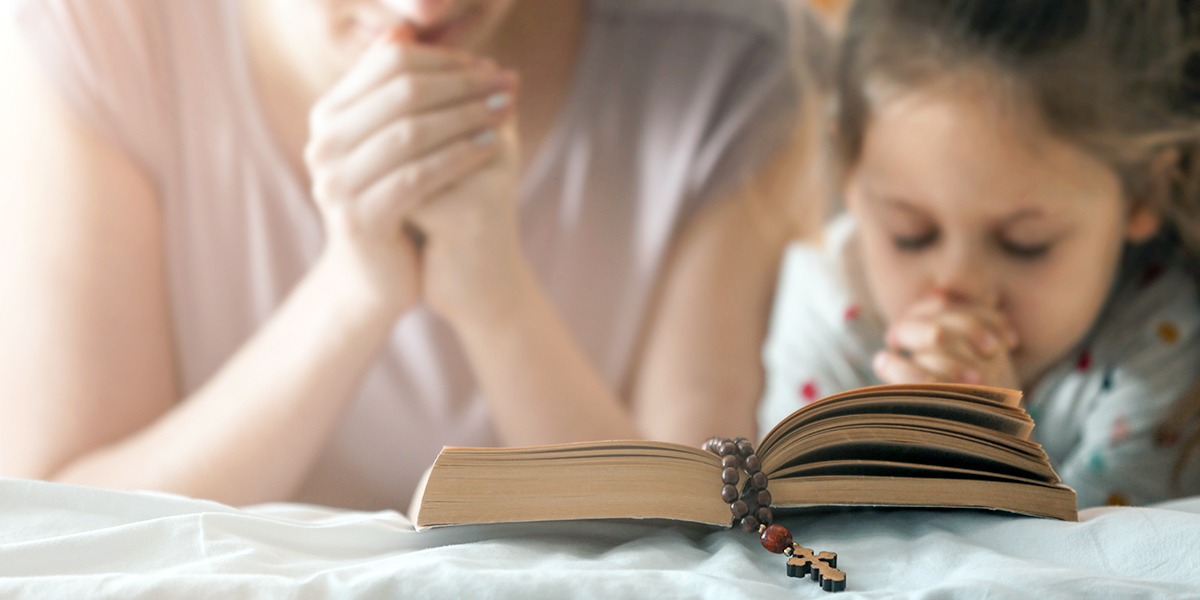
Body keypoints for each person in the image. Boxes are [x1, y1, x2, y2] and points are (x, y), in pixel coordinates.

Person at [0, 0, 827, 510]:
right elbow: (58, 511)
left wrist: (499, 303)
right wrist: (352, 293)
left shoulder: (724, 61)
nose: (424, 6)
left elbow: (695, 525)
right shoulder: (99, 30)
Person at [759, 0, 1200, 508]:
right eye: (911, 233)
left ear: (1143, 192)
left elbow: (1102, 572)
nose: (957, 285)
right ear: (849, 177)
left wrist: (994, 455)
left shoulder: (1160, 340)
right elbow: (801, 537)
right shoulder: (830, 311)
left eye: (1024, 245)